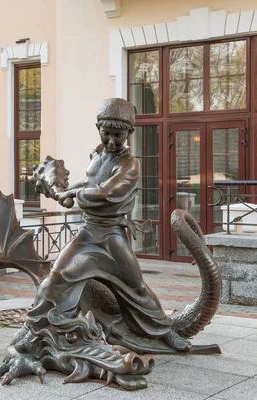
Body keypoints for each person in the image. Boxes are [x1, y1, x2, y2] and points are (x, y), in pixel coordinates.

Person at [26, 98, 191, 352]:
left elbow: (107, 192)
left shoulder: (130, 164)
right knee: (58, 274)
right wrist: (66, 190)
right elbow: (88, 183)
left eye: (119, 135)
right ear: (98, 130)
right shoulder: (96, 156)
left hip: (112, 235)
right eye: (107, 134)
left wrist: (74, 196)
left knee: (135, 286)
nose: (113, 141)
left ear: (129, 134)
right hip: (88, 231)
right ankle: (40, 327)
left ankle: (164, 330)